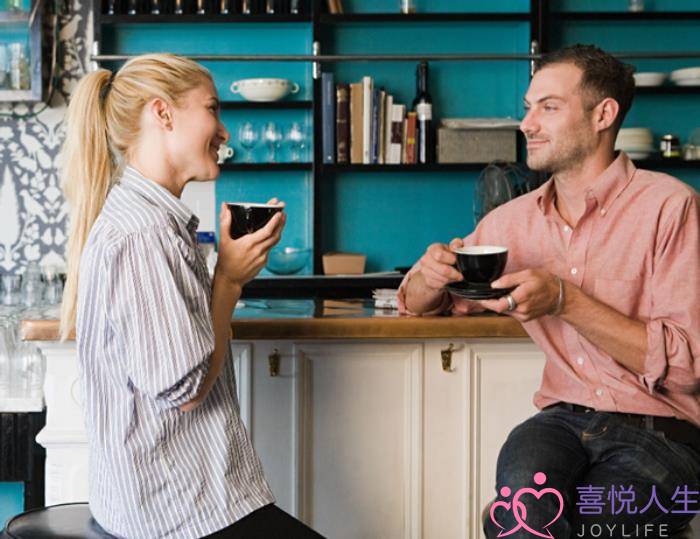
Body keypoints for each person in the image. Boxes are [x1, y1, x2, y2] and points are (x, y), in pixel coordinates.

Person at [399, 44, 699, 538]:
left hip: (662, 434)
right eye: (527, 108)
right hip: (557, 425)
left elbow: (688, 368)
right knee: (527, 514)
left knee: (579, 524)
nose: (526, 124)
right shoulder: (511, 222)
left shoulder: (671, 207)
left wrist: (565, 300)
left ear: (603, 115)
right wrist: (428, 279)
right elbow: (423, 304)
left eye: (548, 107)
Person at [60, 53, 323, 538]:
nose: (224, 131)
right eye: (212, 109)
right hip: (179, 511)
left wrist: (227, 275)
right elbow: (185, 390)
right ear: (163, 113)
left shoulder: (150, 221)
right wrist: (229, 280)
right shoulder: (145, 234)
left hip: (171, 500)